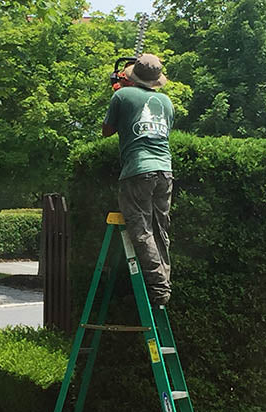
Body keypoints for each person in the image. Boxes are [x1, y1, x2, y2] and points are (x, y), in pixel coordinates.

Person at [102, 53, 175, 306]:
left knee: (141, 229)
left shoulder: (122, 95)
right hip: (165, 170)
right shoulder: (166, 102)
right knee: (160, 230)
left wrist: (118, 92)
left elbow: (107, 130)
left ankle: (158, 289)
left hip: (138, 170)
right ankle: (164, 281)